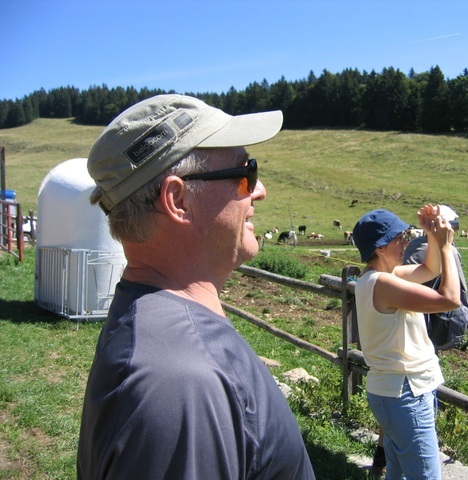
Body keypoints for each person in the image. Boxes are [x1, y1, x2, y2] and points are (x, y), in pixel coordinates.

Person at [77, 94, 315, 480]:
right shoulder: (181, 383)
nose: (259, 190)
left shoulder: (154, 328)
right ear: (178, 199)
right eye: (245, 173)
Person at [352, 206, 460, 480]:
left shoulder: (378, 278)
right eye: (399, 237)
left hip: (399, 392)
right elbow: (450, 299)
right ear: (379, 248)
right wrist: (447, 247)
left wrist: (431, 235)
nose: (406, 242)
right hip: (405, 394)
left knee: (399, 474)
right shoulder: (384, 284)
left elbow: (430, 269)